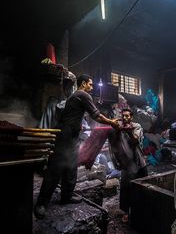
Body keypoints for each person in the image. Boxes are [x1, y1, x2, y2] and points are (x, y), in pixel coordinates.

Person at [34, 74, 120, 219]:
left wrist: (76, 125)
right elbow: (96, 115)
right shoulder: (83, 94)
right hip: (64, 138)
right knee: (55, 169)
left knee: (71, 168)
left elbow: (68, 116)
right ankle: (41, 203)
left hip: (71, 137)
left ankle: (66, 196)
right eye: (90, 84)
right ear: (84, 84)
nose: (92, 87)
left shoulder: (74, 96)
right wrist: (111, 122)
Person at [111, 108, 148, 223]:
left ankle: (142, 210)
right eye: (123, 116)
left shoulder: (136, 126)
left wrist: (128, 131)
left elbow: (135, 140)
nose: (125, 118)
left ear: (131, 117)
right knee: (126, 189)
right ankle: (127, 212)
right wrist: (117, 130)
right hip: (126, 164)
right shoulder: (118, 128)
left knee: (142, 186)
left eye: (127, 116)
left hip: (138, 161)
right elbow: (114, 144)